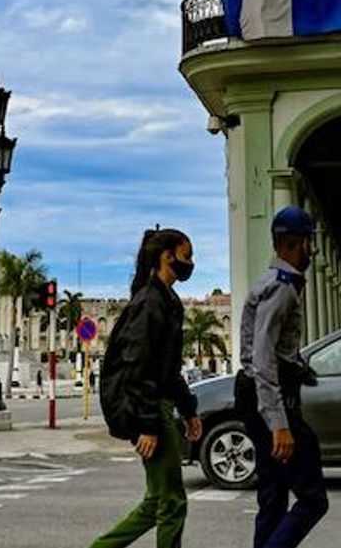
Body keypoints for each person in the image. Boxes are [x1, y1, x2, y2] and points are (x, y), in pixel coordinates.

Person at [91, 228, 202, 548]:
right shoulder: (149, 302)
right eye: (187, 255)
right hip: (151, 409)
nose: (191, 263)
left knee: (158, 502)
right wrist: (147, 425)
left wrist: (189, 408)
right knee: (172, 503)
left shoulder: (167, 300)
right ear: (167, 256)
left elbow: (168, 367)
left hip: (160, 405)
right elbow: (138, 368)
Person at [236, 206, 328, 548]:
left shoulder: (273, 283)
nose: (311, 251)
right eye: (309, 243)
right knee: (313, 497)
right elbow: (263, 358)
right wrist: (279, 424)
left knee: (273, 496)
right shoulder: (282, 289)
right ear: (296, 243)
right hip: (271, 400)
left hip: (256, 393)